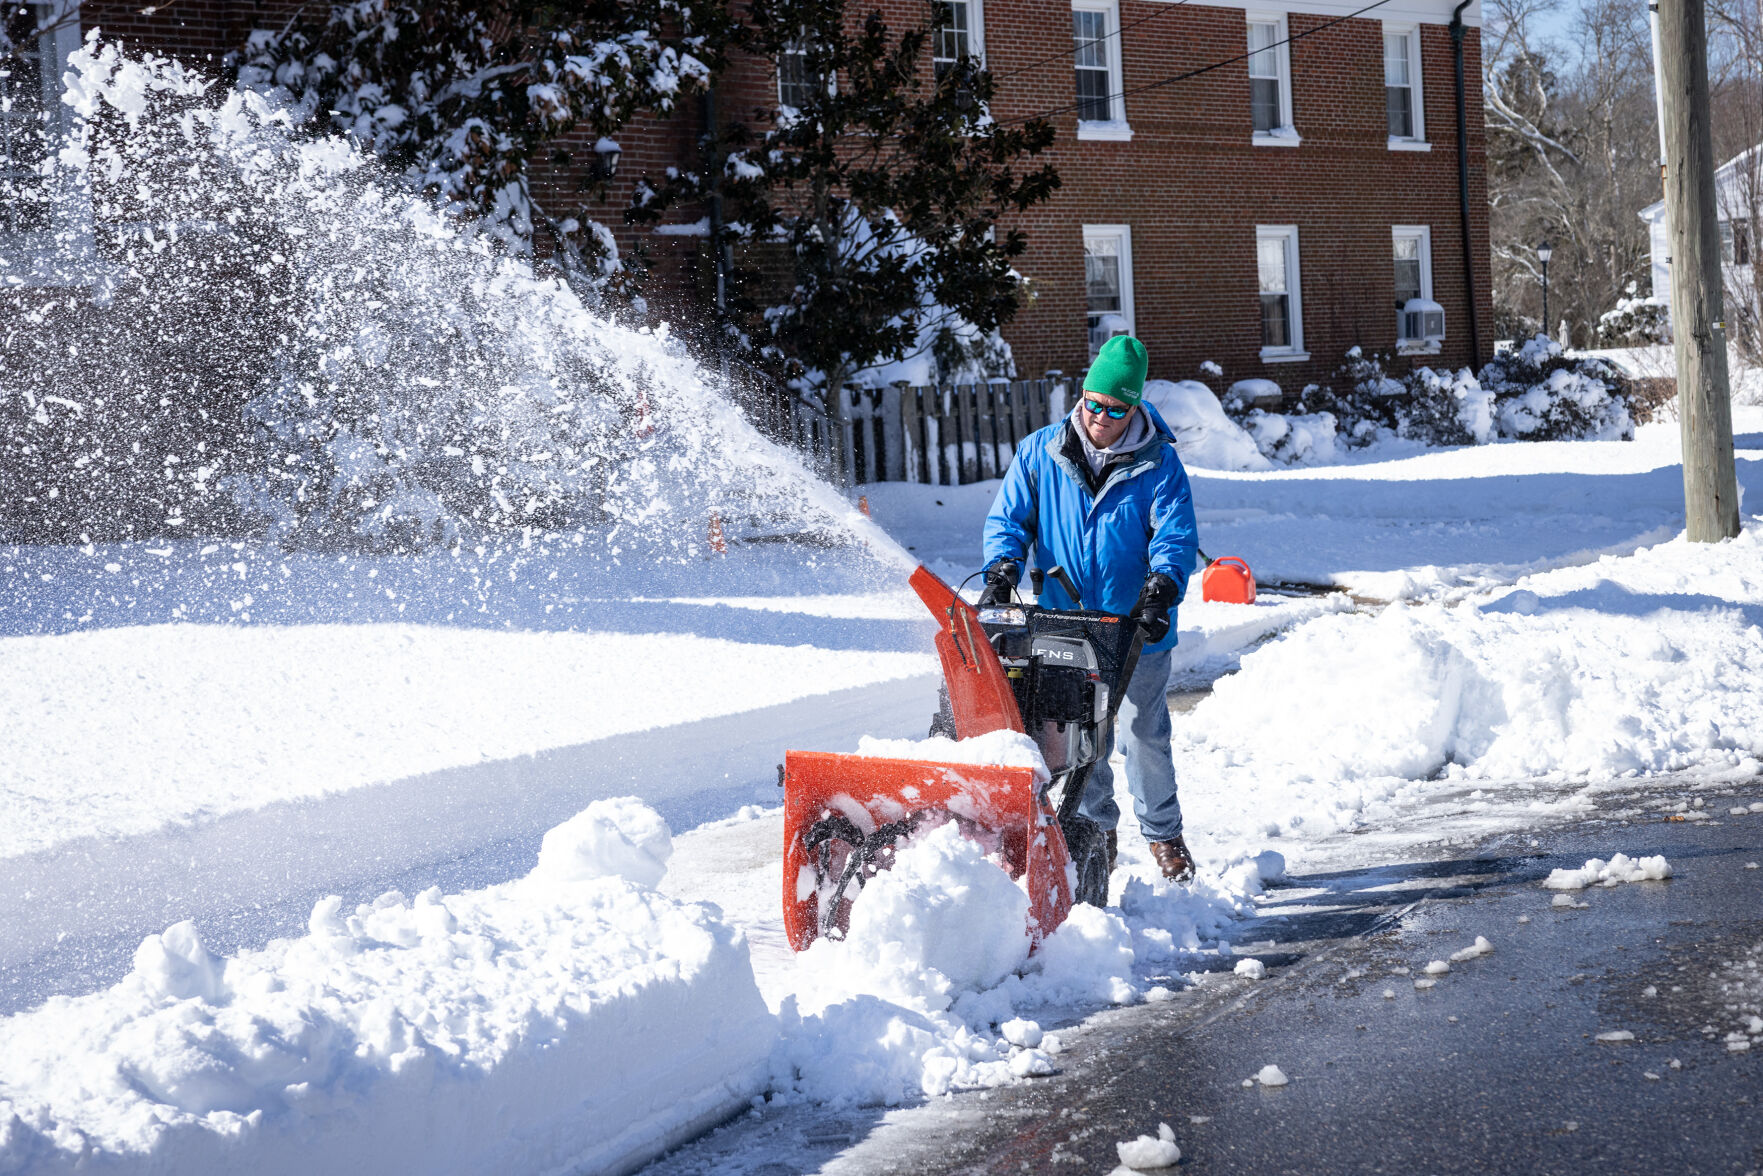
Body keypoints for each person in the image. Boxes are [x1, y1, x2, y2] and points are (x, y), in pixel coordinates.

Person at [977, 335, 1200, 882]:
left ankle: (1164, 835)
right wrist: (1003, 567)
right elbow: (1009, 521)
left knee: (1143, 735)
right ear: (1083, 395)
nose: (1102, 416)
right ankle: (1095, 830)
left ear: (1135, 407)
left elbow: (1174, 534)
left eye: (1116, 408)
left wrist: (1163, 587)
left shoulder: (1160, 465)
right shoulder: (1041, 451)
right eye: (1094, 403)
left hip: (1135, 628)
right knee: (1081, 738)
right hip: (1066, 625)